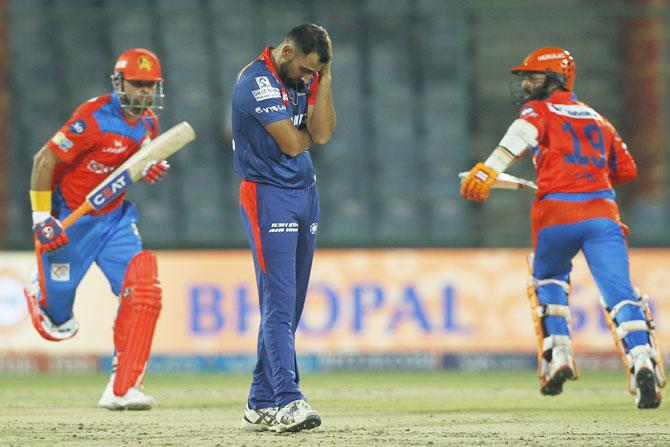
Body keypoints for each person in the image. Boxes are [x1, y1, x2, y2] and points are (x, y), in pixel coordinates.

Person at [460, 47, 665, 409]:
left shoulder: (537, 110)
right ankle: (642, 361)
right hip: (603, 215)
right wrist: (590, 177)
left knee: (548, 279)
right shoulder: (598, 119)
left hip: (555, 214)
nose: (525, 84)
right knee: (620, 295)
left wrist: (488, 170)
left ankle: (559, 356)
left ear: (555, 78)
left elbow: (516, 140)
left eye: (533, 77)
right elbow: (628, 170)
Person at [26, 48, 170, 410]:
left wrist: (148, 167)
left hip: (115, 219)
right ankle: (41, 294)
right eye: (137, 85)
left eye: (150, 86)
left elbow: (135, 160)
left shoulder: (149, 123)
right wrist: (42, 219)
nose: (144, 94)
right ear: (119, 83)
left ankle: (122, 389)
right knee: (56, 323)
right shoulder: (92, 118)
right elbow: (44, 160)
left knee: (144, 290)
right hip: (70, 218)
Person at [231, 24, 335, 432]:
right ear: (286, 50)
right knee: (277, 301)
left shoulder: (305, 75)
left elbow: (320, 134)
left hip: (305, 193)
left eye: (316, 74)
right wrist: (304, 128)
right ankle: (288, 399)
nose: (308, 78)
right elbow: (293, 144)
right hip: (267, 195)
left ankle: (259, 403)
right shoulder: (255, 81)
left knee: (290, 307)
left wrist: (323, 78)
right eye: (307, 70)